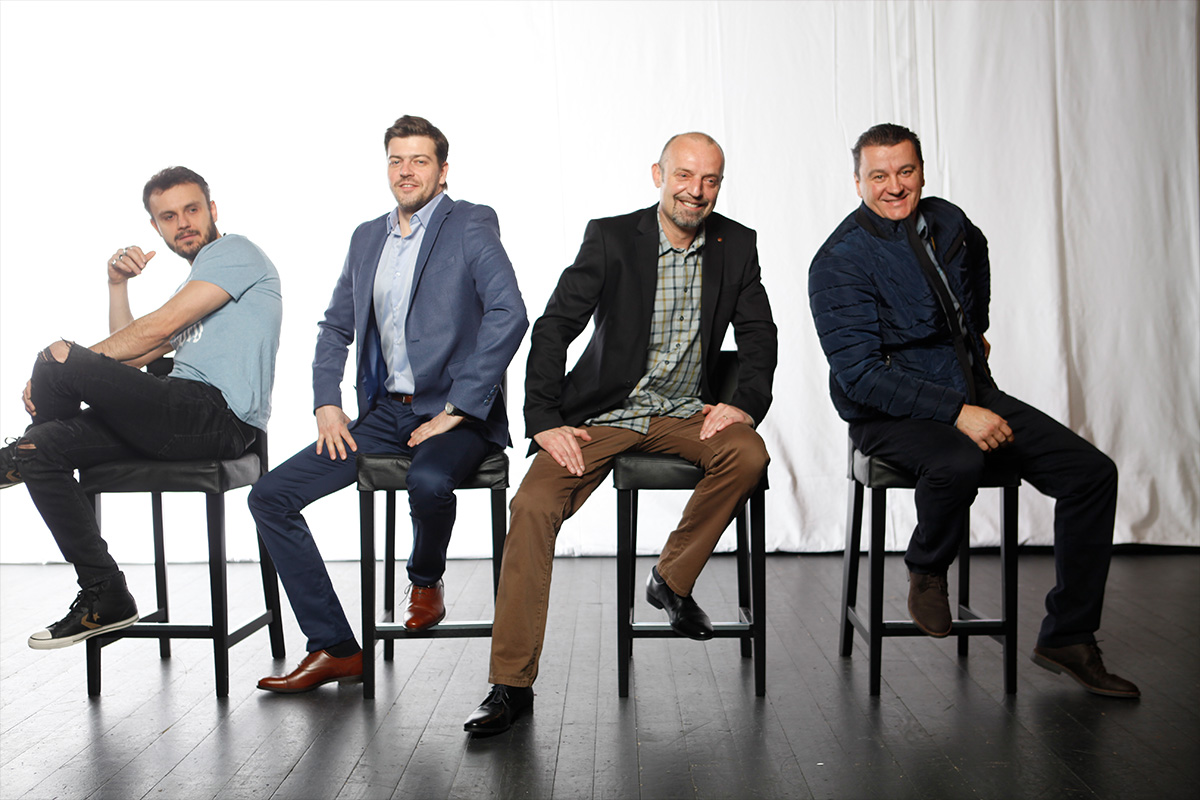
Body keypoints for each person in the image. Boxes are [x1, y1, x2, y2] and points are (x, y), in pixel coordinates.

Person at [808, 123, 1138, 698]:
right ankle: (927, 567)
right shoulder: (839, 261)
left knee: (1091, 474)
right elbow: (860, 375)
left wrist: (973, 328)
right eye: (879, 176)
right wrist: (957, 414)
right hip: (886, 414)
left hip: (970, 390)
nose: (894, 186)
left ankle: (1069, 636)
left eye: (905, 171)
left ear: (922, 171)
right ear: (857, 182)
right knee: (959, 461)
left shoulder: (948, 220)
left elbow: (976, 259)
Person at [463, 132, 777, 734]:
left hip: (688, 412)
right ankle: (510, 684)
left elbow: (760, 334)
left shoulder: (736, 244)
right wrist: (545, 420)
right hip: (605, 414)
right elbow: (554, 326)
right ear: (658, 174)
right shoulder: (611, 238)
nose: (697, 191)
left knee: (748, 453)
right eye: (684, 176)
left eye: (710, 180)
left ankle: (671, 579)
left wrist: (743, 405)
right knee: (532, 504)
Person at [250, 115, 527, 694]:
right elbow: (335, 326)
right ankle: (335, 647)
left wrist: (459, 407)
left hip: (455, 413)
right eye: (396, 160)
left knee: (429, 480)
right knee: (271, 496)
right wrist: (327, 403)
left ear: (442, 171)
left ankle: (425, 580)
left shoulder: (470, 223)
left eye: (419, 160)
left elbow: (509, 313)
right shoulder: (366, 237)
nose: (406, 171)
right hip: (383, 414)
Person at [0, 166, 282, 651]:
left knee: (58, 357)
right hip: (174, 414)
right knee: (39, 447)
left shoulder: (236, 253)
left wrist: (63, 367)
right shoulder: (194, 286)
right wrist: (117, 285)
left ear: (213, 210)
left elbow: (154, 330)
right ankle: (106, 593)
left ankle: (13, 459)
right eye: (168, 216)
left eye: (192, 209)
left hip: (216, 418)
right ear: (156, 226)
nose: (183, 222)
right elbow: (130, 357)